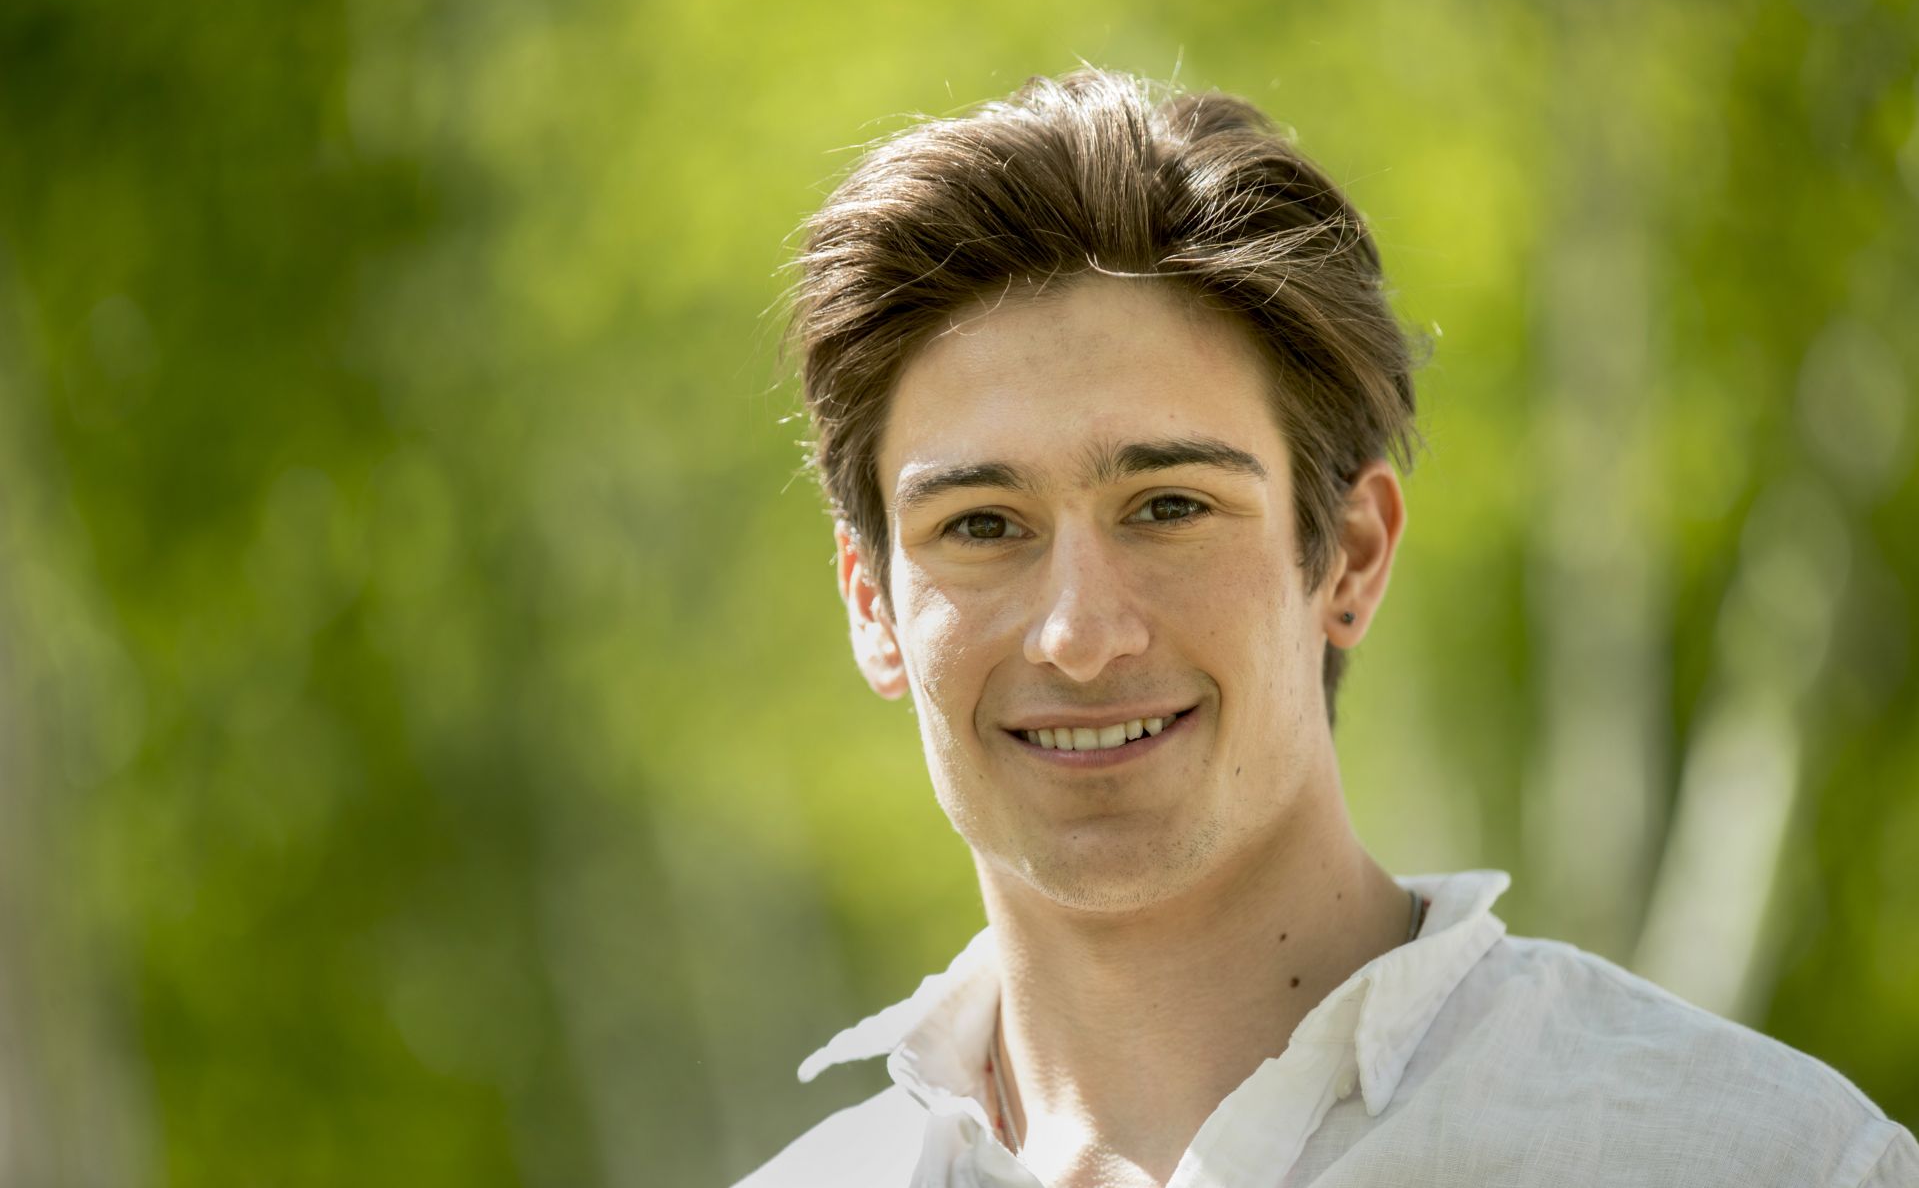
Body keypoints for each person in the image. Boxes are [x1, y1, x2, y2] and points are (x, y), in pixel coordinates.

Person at [737, 69, 1917, 1188]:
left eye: (1168, 507)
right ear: (871, 603)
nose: (1078, 636)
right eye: (982, 524)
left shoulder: (1752, 1162)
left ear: (1348, 555)